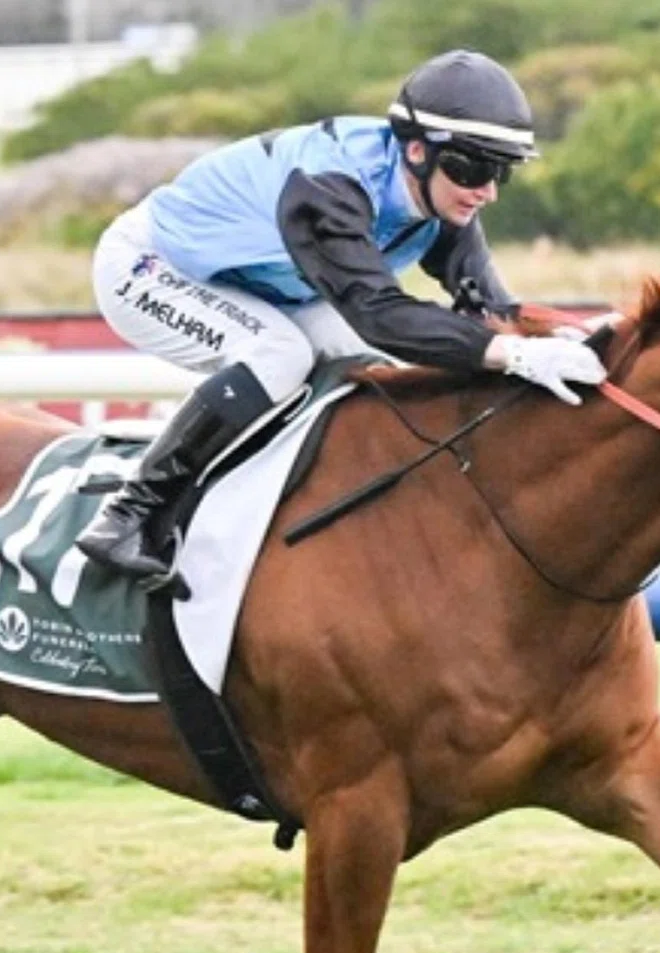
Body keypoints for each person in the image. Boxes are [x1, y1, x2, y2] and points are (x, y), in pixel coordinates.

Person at [77, 48, 608, 584]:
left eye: (501, 171)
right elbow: (380, 314)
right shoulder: (329, 187)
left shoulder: (443, 196)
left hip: (262, 283)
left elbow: (490, 310)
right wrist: (515, 354)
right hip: (152, 264)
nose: (486, 191)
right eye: (474, 168)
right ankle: (130, 513)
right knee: (279, 355)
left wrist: (573, 336)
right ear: (417, 151)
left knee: (372, 363)